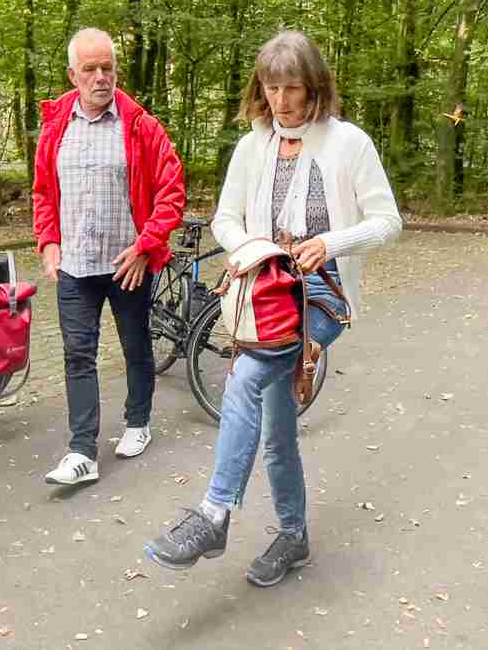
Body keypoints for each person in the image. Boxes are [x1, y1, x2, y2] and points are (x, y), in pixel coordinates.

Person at [143, 30, 402, 586]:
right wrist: (251, 250)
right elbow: (225, 218)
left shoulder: (349, 143)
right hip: (264, 293)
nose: (281, 100)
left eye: (292, 88)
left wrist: (330, 243)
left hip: (322, 295)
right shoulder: (252, 146)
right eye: (271, 87)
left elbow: (388, 222)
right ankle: (293, 535)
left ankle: (214, 513)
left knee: (245, 379)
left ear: (315, 87)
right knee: (278, 427)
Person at [33, 28, 186, 485]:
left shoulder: (140, 125)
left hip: (127, 266)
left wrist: (146, 246)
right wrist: (48, 241)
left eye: (107, 68)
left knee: (135, 347)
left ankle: (138, 422)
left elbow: (172, 192)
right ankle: (82, 452)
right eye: (90, 69)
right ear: (73, 75)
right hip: (75, 266)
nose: (101, 77)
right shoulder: (56, 125)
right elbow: (43, 192)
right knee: (77, 355)